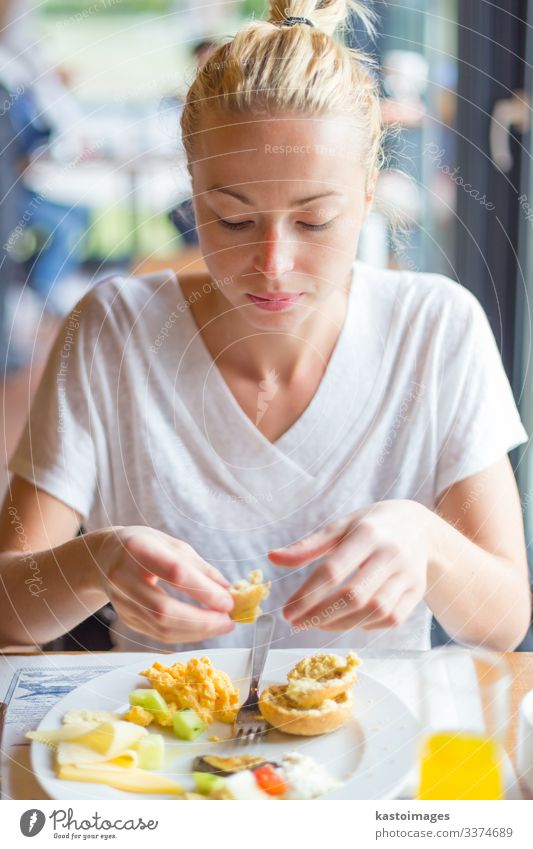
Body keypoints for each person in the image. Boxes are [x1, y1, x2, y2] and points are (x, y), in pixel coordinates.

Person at [0, 1, 530, 654]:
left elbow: (502, 623)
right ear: (194, 192)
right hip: (156, 749)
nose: (273, 266)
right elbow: (8, 612)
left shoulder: (437, 329)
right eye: (232, 219)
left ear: (367, 194)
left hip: (380, 744)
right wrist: (91, 565)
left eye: (313, 222)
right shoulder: (112, 329)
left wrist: (428, 543)